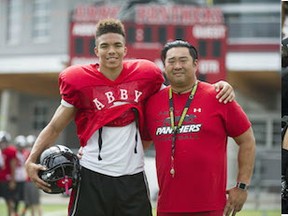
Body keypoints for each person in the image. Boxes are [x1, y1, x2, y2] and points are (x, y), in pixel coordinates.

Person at [25, 19, 234, 216]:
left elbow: (178, 95)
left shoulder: (145, 75)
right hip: (92, 174)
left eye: (117, 45)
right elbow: (54, 127)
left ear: (125, 49)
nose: (111, 51)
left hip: (132, 177)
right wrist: (31, 159)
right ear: (96, 51)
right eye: (105, 46)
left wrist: (215, 88)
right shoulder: (79, 81)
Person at [142, 40, 256, 216]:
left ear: (195, 64)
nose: (177, 66)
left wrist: (242, 186)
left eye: (183, 60)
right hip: (167, 208)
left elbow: (247, 140)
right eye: (171, 61)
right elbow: (140, 144)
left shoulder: (219, 96)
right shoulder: (152, 103)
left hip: (211, 208)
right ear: (164, 66)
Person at [0, 131, 17, 216]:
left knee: (9, 200)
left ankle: (11, 214)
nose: (2, 144)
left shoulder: (10, 151)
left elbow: (13, 167)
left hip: (6, 179)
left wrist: (13, 181)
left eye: (3, 142)